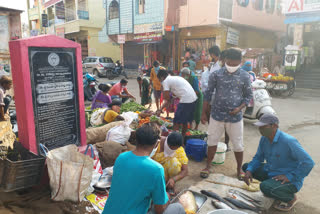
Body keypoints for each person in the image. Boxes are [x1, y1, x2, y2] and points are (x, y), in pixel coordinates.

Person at [103, 123, 186, 214]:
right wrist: (167, 197)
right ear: (156, 144)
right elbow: (160, 209)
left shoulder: (121, 157)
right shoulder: (156, 169)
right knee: (178, 208)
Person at [243, 114, 314, 212]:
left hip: (290, 179)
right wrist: (249, 170)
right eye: (260, 126)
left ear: (275, 126)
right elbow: (258, 157)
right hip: (271, 171)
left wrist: (289, 176)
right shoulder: (264, 139)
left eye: (264, 126)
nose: (260, 129)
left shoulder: (289, 141)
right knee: (246, 167)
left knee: (265, 187)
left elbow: (308, 162)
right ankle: (273, 185)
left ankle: (290, 198)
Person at [201, 48, 253, 179]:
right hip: (217, 115)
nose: (232, 67)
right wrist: (203, 113)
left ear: (240, 62)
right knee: (212, 141)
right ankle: (208, 166)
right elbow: (207, 94)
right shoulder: (216, 75)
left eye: (235, 64)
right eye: (230, 64)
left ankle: (239, 169)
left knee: (238, 143)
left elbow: (248, 96)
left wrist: (239, 108)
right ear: (224, 61)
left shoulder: (245, 76)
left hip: (235, 117)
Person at [157, 69, 197, 136]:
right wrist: (161, 109)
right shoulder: (174, 79)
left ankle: (174, 140)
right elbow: (170, 99)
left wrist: (160, 109)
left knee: (176, 122)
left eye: (159, 80)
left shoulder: (166, 81)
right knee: (185, 121)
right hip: (193, 99)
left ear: (162, 77)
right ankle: (182, 139)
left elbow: (166, 98)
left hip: (186, 100)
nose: (160, 82)